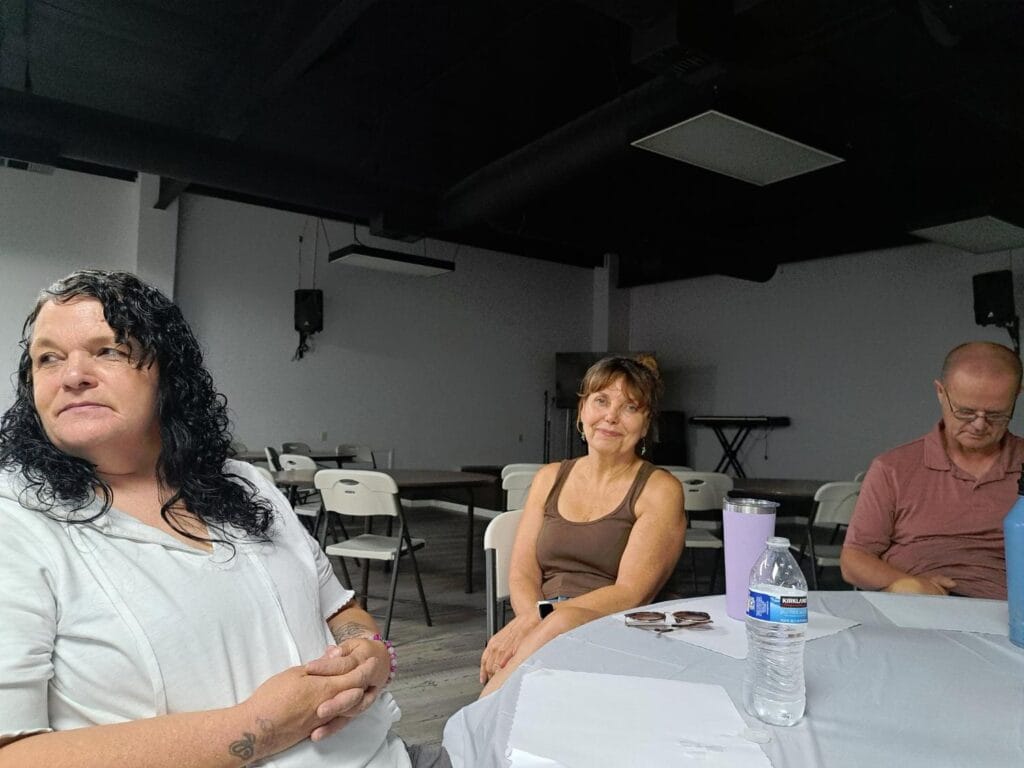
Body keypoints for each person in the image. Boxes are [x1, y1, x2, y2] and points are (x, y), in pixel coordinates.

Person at [0, 270, 448, 767]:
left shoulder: (243, 483)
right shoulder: (16, 522)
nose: (72, 375)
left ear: (168, 373)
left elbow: (339, 610)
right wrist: (259, 727)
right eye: (48, 358)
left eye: (109, 350)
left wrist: (369, 651)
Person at [479, 355, 686, 696]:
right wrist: (532, 619)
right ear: (582, 411)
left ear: (646, 424)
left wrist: (539, 618)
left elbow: (631, 593)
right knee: (549, 644)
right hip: (543, 621)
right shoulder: (548, 478)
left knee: (556, 628)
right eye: (601, 401)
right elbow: (522, 572)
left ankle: (468, 730)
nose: (611, 417)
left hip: (619, 627)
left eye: (630, 407)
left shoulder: (660, 490)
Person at [840, 341, 1024, 598]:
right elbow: (854, 559)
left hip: (1006, 612)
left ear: (1016, 397)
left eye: (996, 414)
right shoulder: (893, 468)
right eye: (965, 412)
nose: (979, 425)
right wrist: (903, 582)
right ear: (940, 392)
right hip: (917, 607)